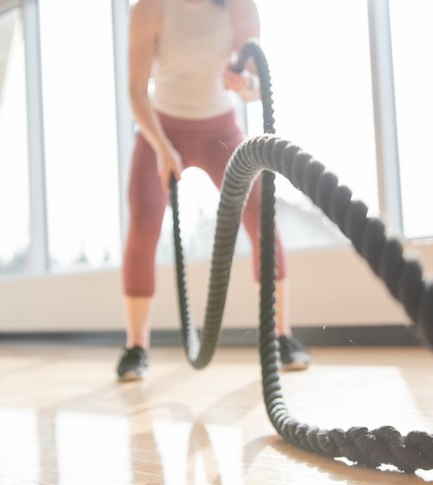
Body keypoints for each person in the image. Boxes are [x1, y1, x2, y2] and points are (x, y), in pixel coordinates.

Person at [117, 0, 310, 381]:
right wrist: (160, 145)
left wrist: (246, 84)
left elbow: (255, 87)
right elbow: (137, 91)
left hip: (220, 128)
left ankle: (281, 337)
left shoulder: (240, 7)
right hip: (161, 127)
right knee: (143, 222)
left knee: (261, 217)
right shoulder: (149, 9)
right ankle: (136, 347)